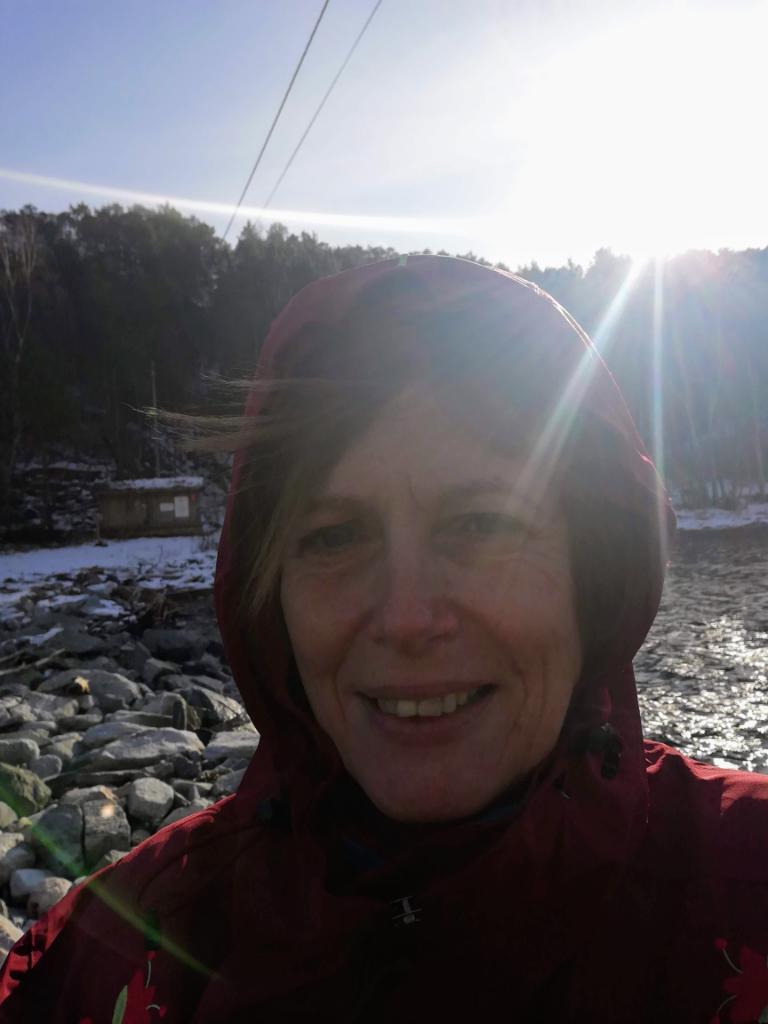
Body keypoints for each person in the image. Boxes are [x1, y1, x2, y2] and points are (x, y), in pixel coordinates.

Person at [1, 254, 768, 1023]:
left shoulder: (746, 880)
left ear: (593, 576)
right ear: (269, 602)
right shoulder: (109, 952)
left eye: (482, 525)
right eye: (336, 536)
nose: (406, 618)